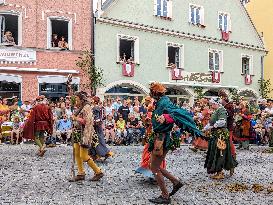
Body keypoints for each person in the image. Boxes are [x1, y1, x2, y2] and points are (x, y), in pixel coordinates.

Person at [148, 82, 202, 204]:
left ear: (155, 93)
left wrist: (166, 118)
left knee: (154, 167)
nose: (151, 94)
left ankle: (165, 196)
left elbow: (175, 113)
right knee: (153, 165)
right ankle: (176, 182)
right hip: (159, 137)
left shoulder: (164, 102)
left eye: (151, 92)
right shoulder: (160, 102)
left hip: (162, 138)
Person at [69, 92, 104, 182]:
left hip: (84, 133)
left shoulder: (87, 108)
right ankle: (81, 173)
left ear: (82, 100)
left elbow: (87, 121)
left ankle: (98, 172)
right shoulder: (79, 108)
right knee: (77, 153)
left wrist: (75, 118)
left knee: (83, 155)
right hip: (77, 132)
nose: (76, 101)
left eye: (77, 99)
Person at [204, 98, 238, 180]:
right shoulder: (216, 111)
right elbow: (211, 122)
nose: (211, 106)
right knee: (216, 152)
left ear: (217, 103)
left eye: (212, 104)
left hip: (221, 134)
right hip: (216, 134)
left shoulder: (221, 110)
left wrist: (213, 126)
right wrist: (205, 129)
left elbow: (222, 122)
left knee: (220, 152)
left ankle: (220, 172)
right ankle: (222, 169)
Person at [90, 96, 113, 161]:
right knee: (98, 140)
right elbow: (103, 117)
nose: (91, 100)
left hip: (96, 126)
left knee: (97, 140)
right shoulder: (100, 108)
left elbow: (96, 118)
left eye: (92, 99)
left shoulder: (95, 108)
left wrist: (92, 122)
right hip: (98, 125)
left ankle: (103, 154)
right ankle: (95, 155)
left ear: (94, 101)